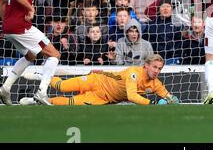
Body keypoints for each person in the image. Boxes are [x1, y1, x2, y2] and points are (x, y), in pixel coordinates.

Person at [0, 0, 60, 105]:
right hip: (21, 26)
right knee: (54, 54)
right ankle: (42, 92)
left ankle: (5, 88)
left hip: (8, 27)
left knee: (30, 55)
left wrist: (5, 20)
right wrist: (30, 8)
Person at [21, 54, 180, 105]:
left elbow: (168, 96)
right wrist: (152, 103)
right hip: (97, 80)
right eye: (155, 67)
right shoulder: (134, 73)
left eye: (160, 69)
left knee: (69, 103)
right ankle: (42, 76)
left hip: (102, 98)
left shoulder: (156, 84)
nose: (157, 71)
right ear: (146, 66)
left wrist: (173, 100)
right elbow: (131, 96)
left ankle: (35, 101)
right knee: (62, 86)